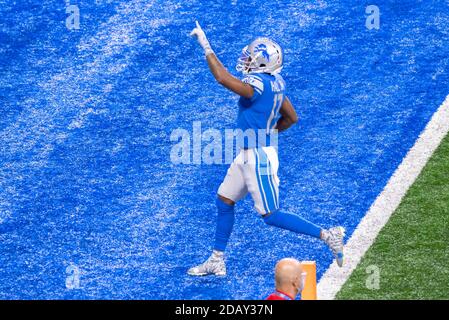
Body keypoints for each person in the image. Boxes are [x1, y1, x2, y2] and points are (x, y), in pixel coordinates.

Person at [188, 21, 345, 277]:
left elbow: (222, 78)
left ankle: (329, 235)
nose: (247, 59)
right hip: (251, 153)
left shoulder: (256, 84)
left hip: (258, 156)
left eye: (251, 56)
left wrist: (206, 45)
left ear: (261, 62)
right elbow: (291, 118)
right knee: (225, 200)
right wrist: (268, 133)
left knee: (271, 215)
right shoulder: (276, 82)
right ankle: (217, 258)